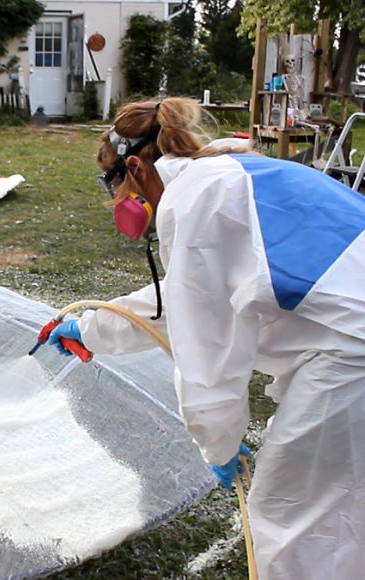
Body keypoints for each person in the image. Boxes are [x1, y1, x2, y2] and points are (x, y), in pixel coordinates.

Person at [47, 96, 365, 579]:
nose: (120, 202)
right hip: (349, 339)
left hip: (352, 351)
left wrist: (218, 444)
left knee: (291, 511)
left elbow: (207, 351)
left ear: (135, 167)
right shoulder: (231, 172)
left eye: (115, 185)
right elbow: (193, 294)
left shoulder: (192, 201)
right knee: (340, 501)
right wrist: (93, 328)